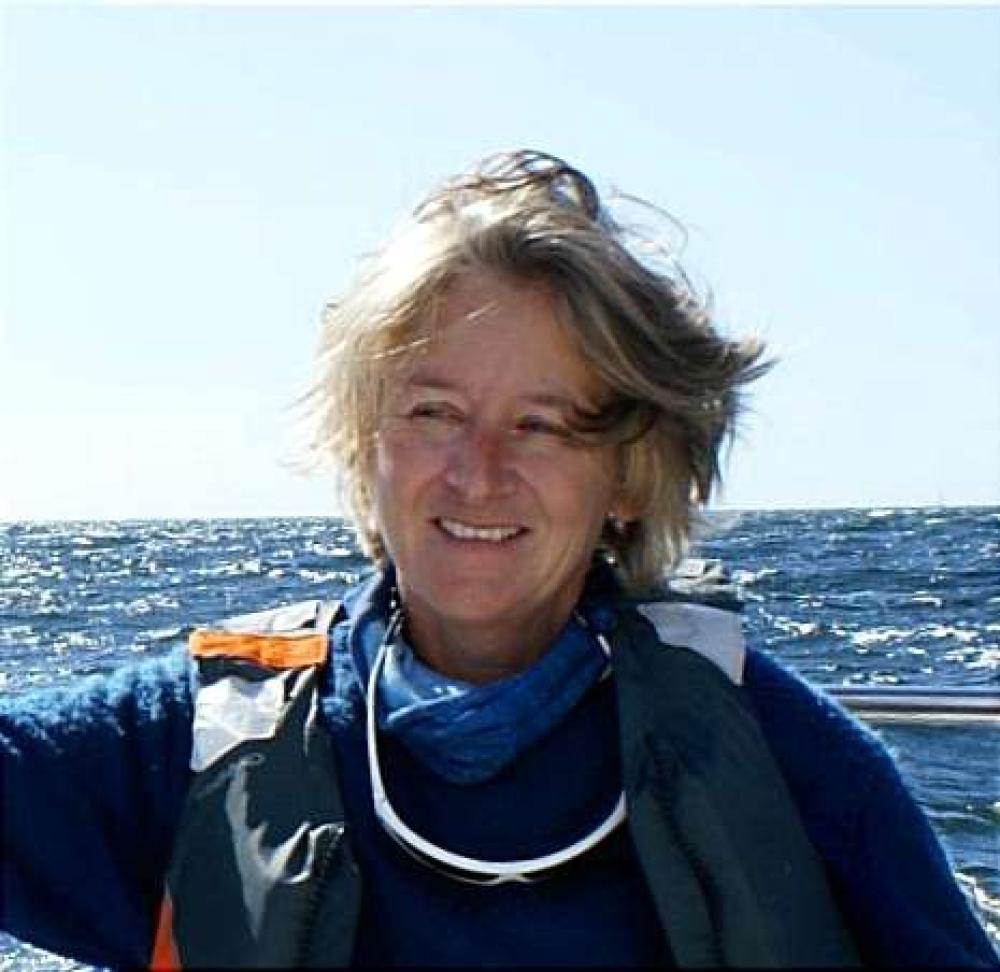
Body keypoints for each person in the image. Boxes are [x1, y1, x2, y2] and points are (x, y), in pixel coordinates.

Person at [1, 150, 996, 969]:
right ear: (364, 439)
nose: (478, 474)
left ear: (630, 474)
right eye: (434, 413)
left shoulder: (796, 771)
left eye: (544, 424)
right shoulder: (185, 743)